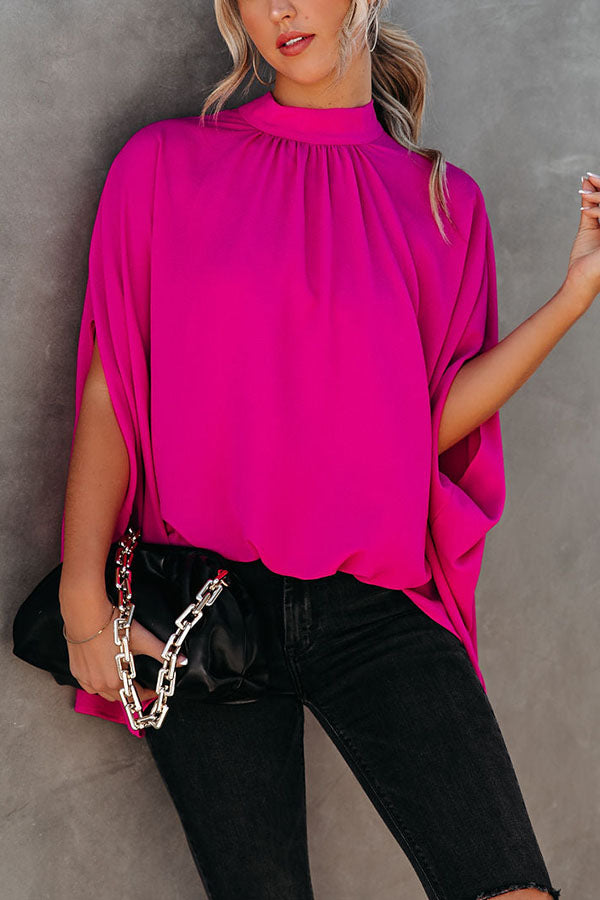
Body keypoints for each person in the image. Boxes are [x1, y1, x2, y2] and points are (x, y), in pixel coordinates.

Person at [57, 1, 599, 898]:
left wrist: (574, 298)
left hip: (372, 606)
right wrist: (83, 597)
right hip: (201, 608)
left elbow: (420, 425)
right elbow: (113, 388)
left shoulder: (440, 199)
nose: (280, 9)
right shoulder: (162, 164)